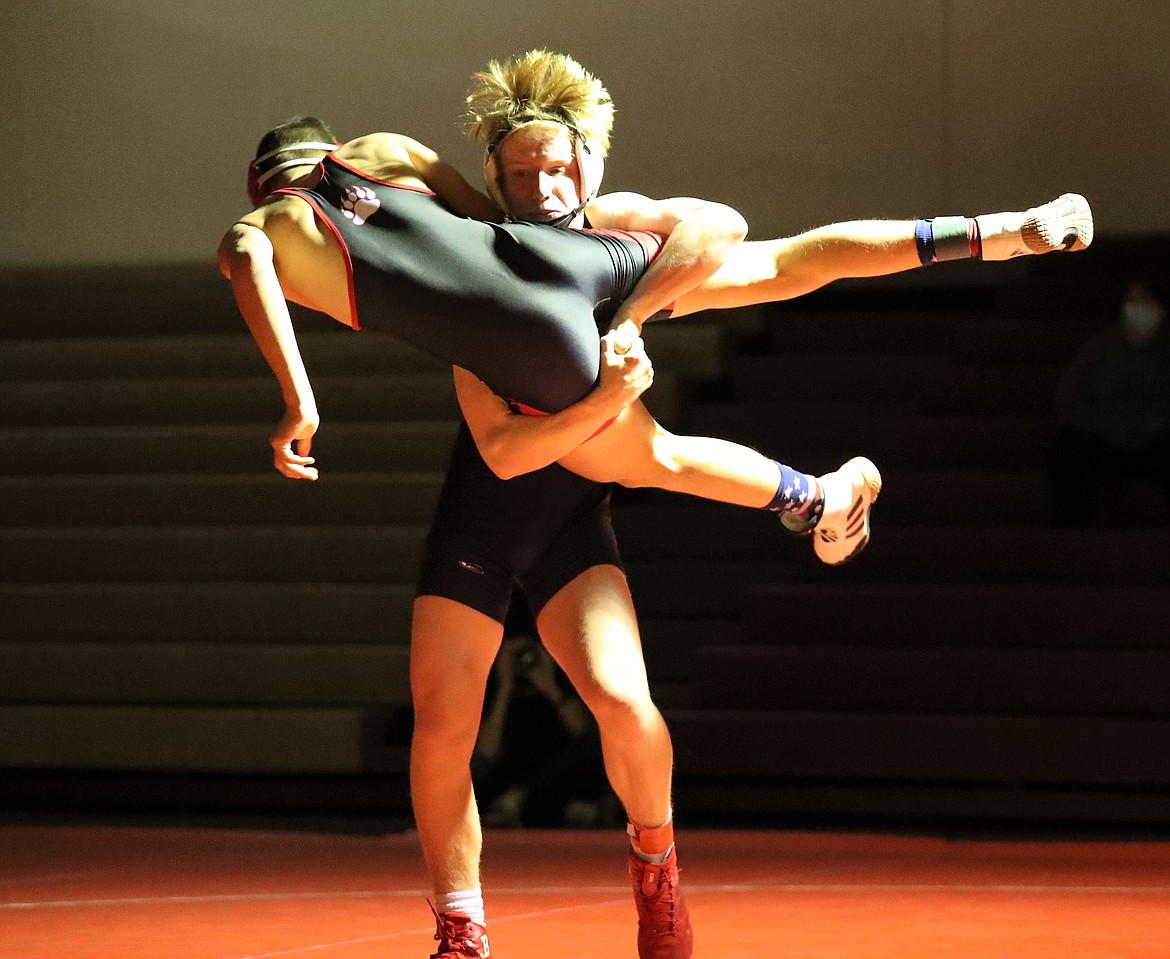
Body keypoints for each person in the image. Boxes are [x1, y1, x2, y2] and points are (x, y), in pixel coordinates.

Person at [409, 49, 1099, 959]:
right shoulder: (483, 258)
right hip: (490, 508)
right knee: (444, 718)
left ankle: (655, 867)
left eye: (559, 161)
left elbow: (755, 241)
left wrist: (628, 313)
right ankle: (462, 927)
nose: (544, 181)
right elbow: (500, 448)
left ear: (594, 160)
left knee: (626, 705)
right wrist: (605, 395)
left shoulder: (614, 239)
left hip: (570, 516)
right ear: (494, 176)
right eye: (523, 169)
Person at [1048, 279, 1170, 526]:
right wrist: (1102, 423)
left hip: (1157, 443)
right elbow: (1068, 396)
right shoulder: (1100, 349)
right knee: (1068, 451)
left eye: (1145, 301)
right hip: (1103, 442)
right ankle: (1071, 543)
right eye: (1133, 301)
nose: (1137, 308)